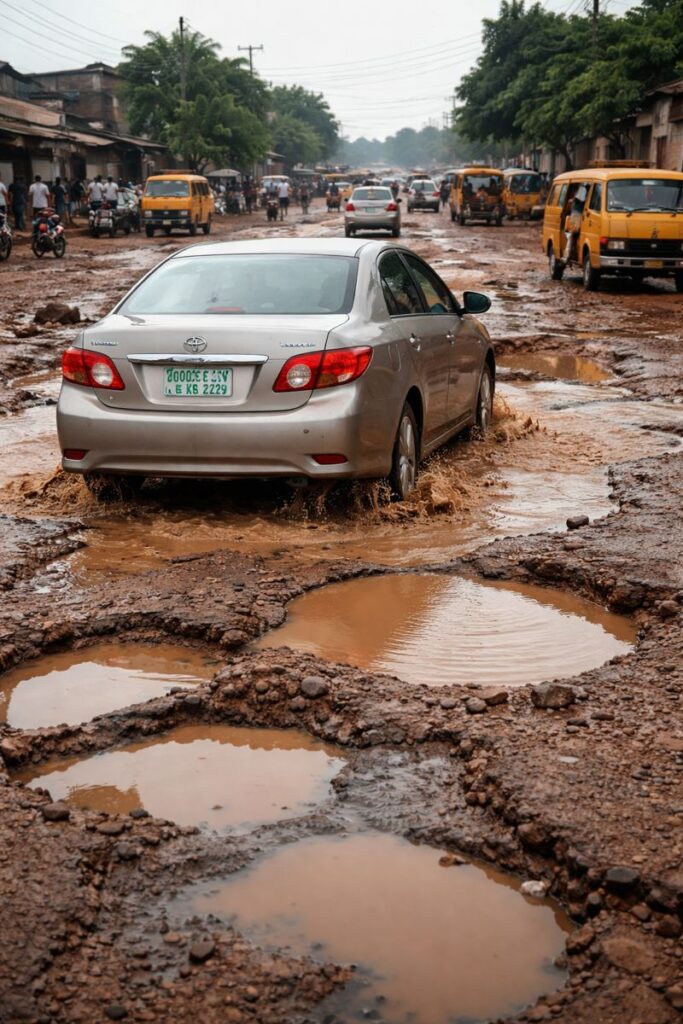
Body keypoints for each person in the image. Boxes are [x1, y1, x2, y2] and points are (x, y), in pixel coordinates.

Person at [563, 185, 587, 263]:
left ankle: (568, 255)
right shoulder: (578, 202)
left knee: (571, 237)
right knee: (572, 237)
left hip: (576, 219)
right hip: (576, 219)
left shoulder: (575, 202)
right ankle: (570, 255)